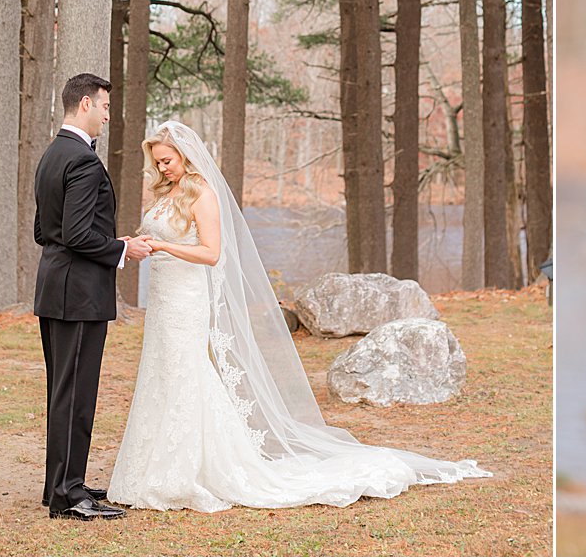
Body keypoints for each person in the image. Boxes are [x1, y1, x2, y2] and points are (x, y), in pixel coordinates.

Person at [107, 120, 489, 511]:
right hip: (164, 298)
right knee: (161, 372)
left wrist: (165, 248)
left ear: (186, 156)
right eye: (158, 162)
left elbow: (211, 253)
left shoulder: (201, 193)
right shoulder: (167, 193)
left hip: (187, 297)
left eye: (168, 161)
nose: (163, 168)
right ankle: (155, 467)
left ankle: (189, 470)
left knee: (185, 371)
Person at [33, 72, 153, 520]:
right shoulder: (82, 160)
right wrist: (124, 248)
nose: (107, 114)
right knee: (77, 394)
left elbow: (44, 231)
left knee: (63, 391)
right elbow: (80, 233)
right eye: (104, 106)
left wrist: (96, 241)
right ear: (85, 104)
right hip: (79, 295)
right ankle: (68, 497)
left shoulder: (51, 154)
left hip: (55, 287)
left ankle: (61, 485)